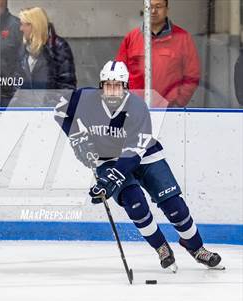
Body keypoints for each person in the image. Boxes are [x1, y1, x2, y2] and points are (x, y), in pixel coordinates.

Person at [54, 60, 222, 271]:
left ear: (126, 87)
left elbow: (133, 154)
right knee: (135, 204)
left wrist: (110, 180)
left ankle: (197, 249)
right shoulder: (85, 98)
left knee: (175, 207)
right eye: (108, 85)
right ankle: (161, 247)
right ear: (100, 85)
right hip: (107, 159)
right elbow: (60, 111)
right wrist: (76, 137)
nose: (112, 91)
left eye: (117, 86)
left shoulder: (137, 107)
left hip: (145, 157)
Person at [116, 0, 200, 108]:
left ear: (167, 10)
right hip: (135, 109)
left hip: (169, 111)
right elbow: (118, 75)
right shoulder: (131, 38)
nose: (153, 11)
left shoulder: (182, 38)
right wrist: (127, 103)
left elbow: (192, 76)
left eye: (158, 6)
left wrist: (178, 102)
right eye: (149, 7)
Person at [18, 7, 76, 91]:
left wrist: (56, 103)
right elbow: (17, 82)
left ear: (34, 25)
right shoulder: (23, 47)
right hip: (25, 102)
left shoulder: (58, 47)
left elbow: (67, 84)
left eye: (24, 24)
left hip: (50, 102)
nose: (21, 29)